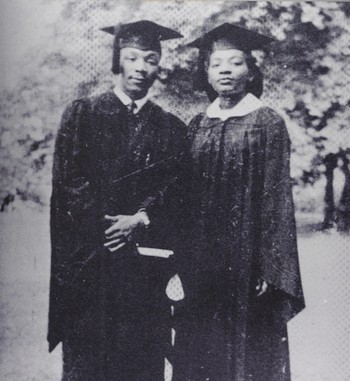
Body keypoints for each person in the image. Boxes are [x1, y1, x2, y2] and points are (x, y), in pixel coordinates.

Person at [48, 20, 188, 380]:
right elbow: (70, 184)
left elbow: (176, 188)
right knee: (90, 361)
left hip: (145, 270)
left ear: (159, 66)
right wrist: (111, 229)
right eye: (132, 57)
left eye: (151, 59)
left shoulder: (171, 127)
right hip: (92, 264)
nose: (141, 68)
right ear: (118, 60)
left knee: (141, 362)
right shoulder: (84, 113)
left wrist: (140, 219)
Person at [174, 23, 305, 381]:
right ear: (207, 73)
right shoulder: (197, 124)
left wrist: (271, 266)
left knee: (249, 353)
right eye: (217, 64)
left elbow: (277, 198)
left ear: (250, 70)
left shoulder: (268, 123)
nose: (226, 71)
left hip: (247, 263)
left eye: (235, 63)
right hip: (200, 262)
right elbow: (181, 195)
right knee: (199, 347)